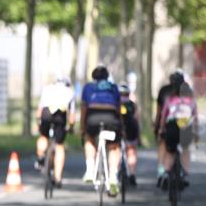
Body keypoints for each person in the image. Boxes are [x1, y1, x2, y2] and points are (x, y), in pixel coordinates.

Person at [79, 65, 123, 195]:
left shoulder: (88, 87)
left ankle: (90, 170)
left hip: (93, 117)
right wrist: (120, 125)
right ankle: (113, 176)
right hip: (110, 117)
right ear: (107, 77)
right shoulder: (113, 87)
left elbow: (84, 109)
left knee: (89, 139)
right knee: (114, 146)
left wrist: (82, 128)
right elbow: (118, 108)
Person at [34, 75, 76, 187]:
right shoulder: (70, 92)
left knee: (43, 136)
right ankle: (57, 177)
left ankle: (41, 156)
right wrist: (71, 127)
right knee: (59, 146)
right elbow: (72, 115)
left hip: (46, 113)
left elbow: (40, 109)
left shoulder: (47, 89)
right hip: (60, 116)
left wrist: (38, 122)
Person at [158, 78, 198, 188]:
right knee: (185, 150)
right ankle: (185, 173)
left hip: (172, 125)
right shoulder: (191, 101)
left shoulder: (170, 100)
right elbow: (195, 119)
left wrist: (161, 129)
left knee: (170, 152)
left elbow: (163, 117)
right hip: (185, 126)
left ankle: (166, 173)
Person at [154, 70, 188, 183]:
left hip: (167, 123)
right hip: (182, 124)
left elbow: (160, 111)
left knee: (163, 144)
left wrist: (158, 126)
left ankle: (161, 170)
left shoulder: (164, 91)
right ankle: (184, 170)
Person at [118, 82, 139, 186]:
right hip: (131, 130)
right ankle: (132, 174)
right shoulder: (132, 105)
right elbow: (136, 119)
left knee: (115, 150)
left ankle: (116, 172)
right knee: (131, 151)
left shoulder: (116, 104)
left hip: (118, 129)